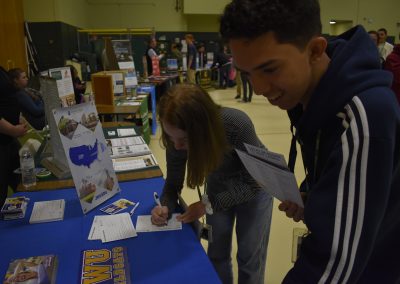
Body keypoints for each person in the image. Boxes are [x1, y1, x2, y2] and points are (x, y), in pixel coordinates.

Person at [220, 0, 400, 283]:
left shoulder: (365, 115)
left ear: (315, 50)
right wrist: (313, 197)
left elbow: (336, 260)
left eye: (269, 69)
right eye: (247, 73)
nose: (258, 88)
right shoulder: (307, 99)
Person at [151, 84, 273, 284]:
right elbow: (173, 184)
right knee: (216, 254)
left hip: (255, 187)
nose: (177, 146)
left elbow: (254, 184)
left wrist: (207, 205)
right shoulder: (176, 134)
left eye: (183, 139)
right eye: (171, 137)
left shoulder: (236, 124)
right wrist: (164, 205)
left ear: (203, 129)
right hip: (218, 184)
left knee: (249, 258)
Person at [0, 66, 28, 207]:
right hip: (3, 142)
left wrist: (17, 119)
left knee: (22, 180)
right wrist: (11, 129)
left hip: (9, 141)